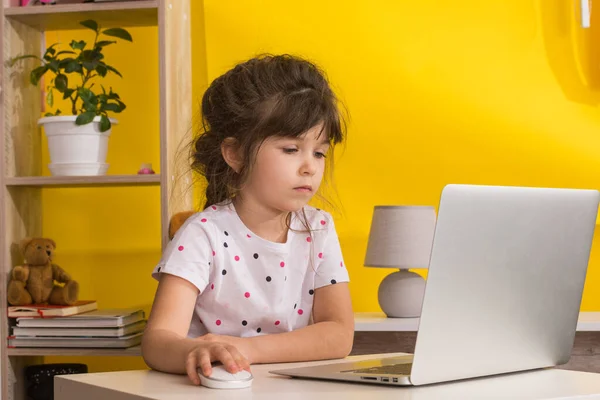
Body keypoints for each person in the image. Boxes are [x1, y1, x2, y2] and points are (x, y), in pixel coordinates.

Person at [141, 54, 354, 385]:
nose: (310, 166)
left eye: (319, 152)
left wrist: (244, 349)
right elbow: (156, 342)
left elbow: (339, 335)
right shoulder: (202, 234)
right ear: (235, 154)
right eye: (290, 149)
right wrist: (193, 353)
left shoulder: (319, 229)